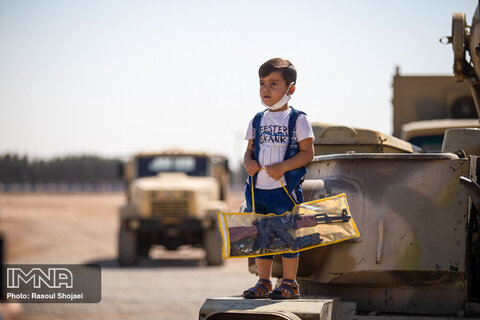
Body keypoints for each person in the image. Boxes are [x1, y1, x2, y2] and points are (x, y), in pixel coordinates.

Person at [242, 58, 315, 299]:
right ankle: (264, 282)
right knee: (262, 238)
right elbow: (249, 151)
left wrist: (283, 167)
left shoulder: (298, 120)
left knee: (286, 237)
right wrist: (248, 163)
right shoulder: (257, 120)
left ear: (290, 89)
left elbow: (308, 154)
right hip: (259, 190)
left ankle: (290, 283)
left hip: (283, 190)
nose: (266, 89)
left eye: (274, 83)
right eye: (262, 83)